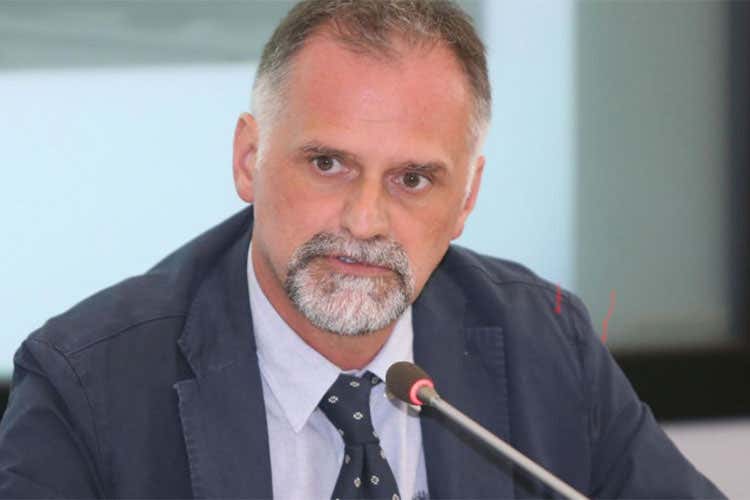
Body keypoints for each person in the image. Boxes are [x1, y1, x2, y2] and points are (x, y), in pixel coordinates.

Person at [0, 1, 724, 499]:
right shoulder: (87, 385)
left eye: (413, 179)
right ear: (249, 159)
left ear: (467, 199)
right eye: (328, 164)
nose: (366, 219)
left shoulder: (549, 347)